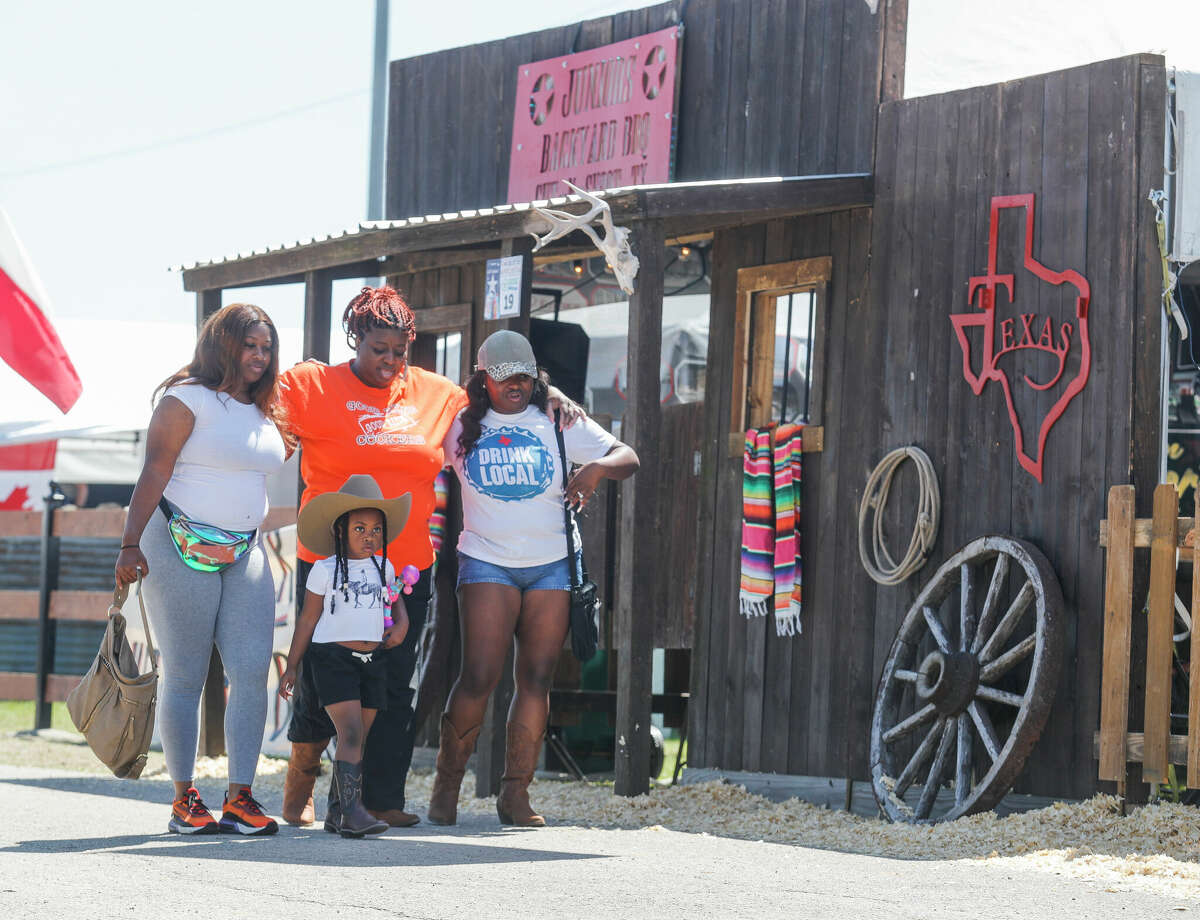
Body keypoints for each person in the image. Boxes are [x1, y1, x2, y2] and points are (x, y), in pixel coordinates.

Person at [277, 286, 581, 828]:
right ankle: (300, 782)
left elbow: (499, 399)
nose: (390, 362)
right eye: (378, 349)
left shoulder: (438, 394)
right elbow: (254, 404)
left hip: (405, 565)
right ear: (355, 340)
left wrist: (549, 397)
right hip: (330, 559)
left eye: (400, 351)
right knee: (329, 677)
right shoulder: (312, 384)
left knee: (394, 677)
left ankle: (381, 798)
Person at [429, 330, 639, 827]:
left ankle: (515, 795)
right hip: (486, 561)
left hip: (551, 567)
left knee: (537, 679)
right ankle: (446, 786)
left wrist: (596, 470)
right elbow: (416, 458)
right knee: (479, 675)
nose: (515, 386)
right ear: (483, 379)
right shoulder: (458, 425)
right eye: (503, 379)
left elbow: (627, 457)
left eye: (523, 376)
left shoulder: (558, 418)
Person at [114, 303, 288, 836]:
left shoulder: (265, 409)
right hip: (175, 541)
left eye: (266, 347)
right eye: (249, 345)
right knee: (186, 674)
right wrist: (127, 545)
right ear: (222, 345)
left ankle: (240, 797)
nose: (259, 356)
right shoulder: (184, 400)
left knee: (251, 671)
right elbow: (154, 471)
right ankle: (184, 799)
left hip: (244, 551)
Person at [279, 475, 412, 838]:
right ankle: (354, 812)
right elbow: (308, 619)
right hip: (333, 659)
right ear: (340, 531)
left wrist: (400, 626)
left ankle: (338, 812)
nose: (369, 536)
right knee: (350, 732)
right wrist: (292, 665)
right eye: (359, 528)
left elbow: (397, 606)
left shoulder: (384, 567)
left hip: (374, 660)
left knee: (358, 738)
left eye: (375, 529)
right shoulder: (323, 570)